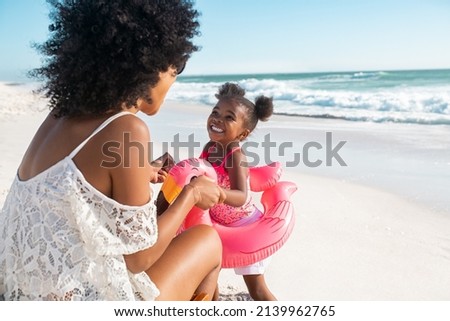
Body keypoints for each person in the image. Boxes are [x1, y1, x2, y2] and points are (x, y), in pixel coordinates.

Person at [0, 0, 226, 301]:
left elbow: (73, 186)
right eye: (176, 68)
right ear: (150, 65)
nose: (174, 78)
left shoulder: (59, 115)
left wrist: (139, 169)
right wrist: (192, 195)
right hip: (85, 302)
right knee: (208, 240)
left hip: (23, 293)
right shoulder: (127, 130)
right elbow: (138, 258)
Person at [199, 82, 277, 301]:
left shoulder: (235, 157)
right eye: (215, 112)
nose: (217, 119)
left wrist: (219, 193)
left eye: (228, 117)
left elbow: (240, 195)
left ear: (243, 133)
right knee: (207, 272)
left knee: (257, 290)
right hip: (217, 223)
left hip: (243, 227)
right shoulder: (209, 148)